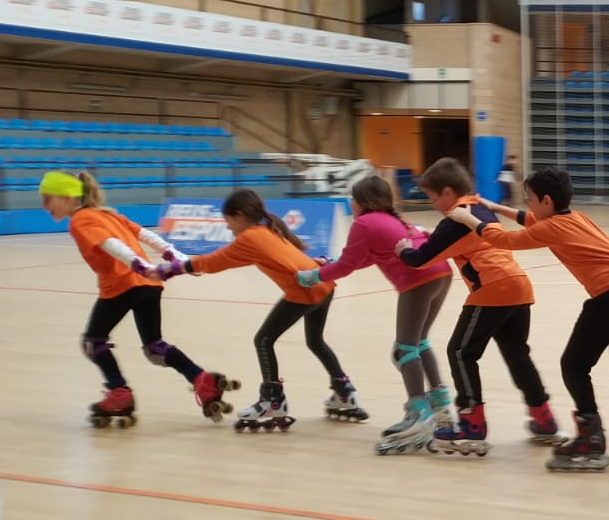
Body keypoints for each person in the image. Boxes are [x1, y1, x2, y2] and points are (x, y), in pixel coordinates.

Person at [443, 165, 609, 469]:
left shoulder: (553, 228)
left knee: (573, 366)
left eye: (530, 198)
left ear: (547, 201)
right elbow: (531, 220)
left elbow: (505, 241)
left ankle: (590, 437)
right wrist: (495, 208)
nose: (528, 204)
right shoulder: (575, 218)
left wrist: (469, 219)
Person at [155, 188, 363, 432]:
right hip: (323, 285)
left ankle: (272, 401)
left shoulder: (250, 238)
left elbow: (213, 262)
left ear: (239, 215)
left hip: (304, 290)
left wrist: (172, 269)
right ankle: (345, 391)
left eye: (228, 221)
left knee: (263, 340)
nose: (228, 227)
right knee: (315, 341)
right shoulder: (267, 230)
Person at [39, 170, 235, 428]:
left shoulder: (80, 219)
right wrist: (176, 257)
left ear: (67, 197)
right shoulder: (107, 214)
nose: (44, 206)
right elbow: (146, 235)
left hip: (123, 284)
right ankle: (201, 380)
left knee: (92, 342)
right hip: (149, 285)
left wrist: (139, 265)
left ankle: (119, 392)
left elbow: (111, 244)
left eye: (48, 199)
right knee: (155, 348)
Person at [395, 157, 559, 456]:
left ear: (447, 192)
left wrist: (404, 249)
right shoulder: (479, 208)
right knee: (517, 354)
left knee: (460, 352)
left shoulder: (454, 220)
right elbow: (463, 242)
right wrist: (434, 236)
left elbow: (420, 260)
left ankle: (472, 423)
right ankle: (544, 418)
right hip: (518, 286)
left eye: (433, 198)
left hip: (493, 289)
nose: (434, 204)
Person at [300, 174, 453, 455]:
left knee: (405, 348)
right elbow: (366, 258)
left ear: (361, 201)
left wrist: (313, 276)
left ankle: (418, 413)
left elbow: (347, 266)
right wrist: (330, 264)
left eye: (353, 198)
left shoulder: (364, 223)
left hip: (418, 279)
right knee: (419, 342)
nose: (351, 203)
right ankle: (441, 406)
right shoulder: (392, 219)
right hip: (441, 273)